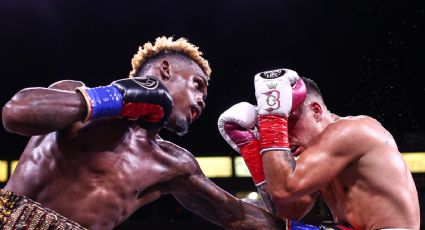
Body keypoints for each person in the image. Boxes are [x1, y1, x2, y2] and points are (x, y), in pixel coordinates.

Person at [0, 36, 286, 230]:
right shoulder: (75, 96)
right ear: (165, 70)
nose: (201, 101)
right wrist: (113, 98)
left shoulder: (171, 163)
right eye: (197, 85)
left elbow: (235, 214)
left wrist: (302, 227)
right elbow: (15, 114)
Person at [218, 68, 420, 230]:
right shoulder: (317, 153)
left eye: (289, 121)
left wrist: (272, 119)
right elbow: (289, 210)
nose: (284, 137)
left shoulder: (351, 131)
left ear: (316, 110)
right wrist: (251, 149)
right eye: (281, 125)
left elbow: (284, 190)